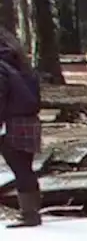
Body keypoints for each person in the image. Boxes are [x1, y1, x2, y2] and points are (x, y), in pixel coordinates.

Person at [0, 28, 42, 228]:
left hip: (13, 122)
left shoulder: (1, 67)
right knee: (25, 168)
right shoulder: (21, 64)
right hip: (30, 121)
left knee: (20, 168)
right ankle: (31, 212)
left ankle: (29, 214)